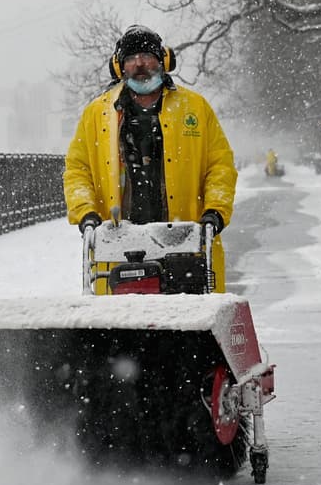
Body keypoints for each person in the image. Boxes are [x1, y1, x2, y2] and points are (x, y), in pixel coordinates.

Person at [64, 24, 238, 293]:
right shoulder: (97, 114)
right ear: (119, 67)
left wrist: (215, 211)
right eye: (131, 59)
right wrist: (85, 212)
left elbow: (220, 166)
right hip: (119, 246)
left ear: (164, 60)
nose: (140, 64)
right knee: (120, 328)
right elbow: (78, 169)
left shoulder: (195, 108)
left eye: (147, 56)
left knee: (186, 326)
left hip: (185, 242)